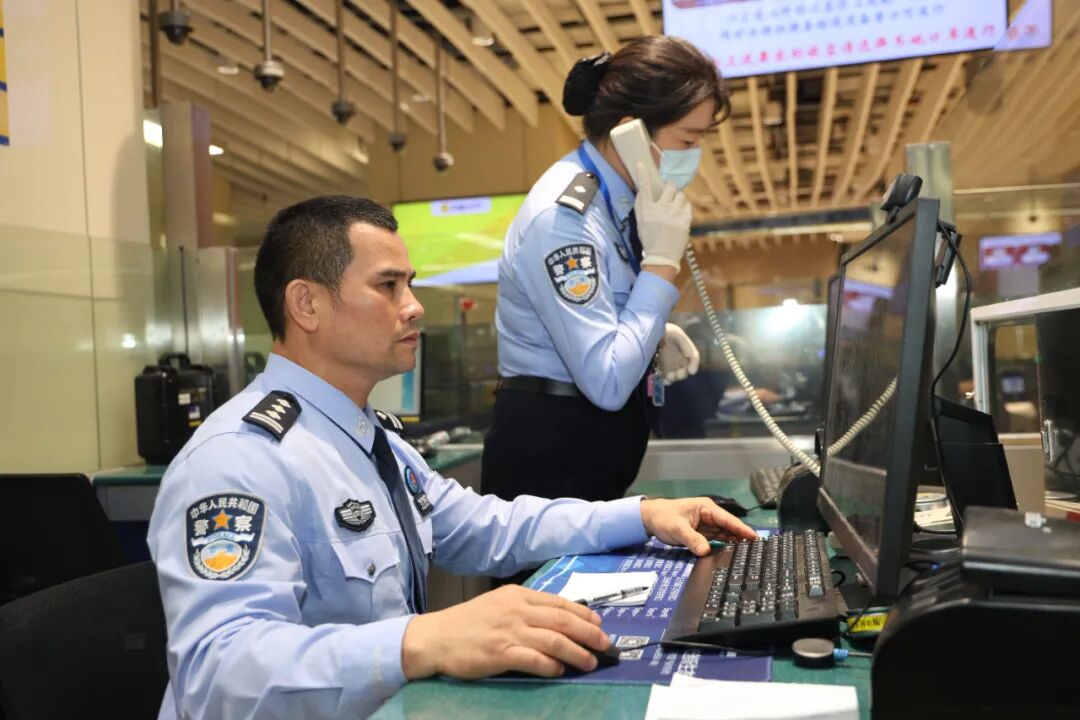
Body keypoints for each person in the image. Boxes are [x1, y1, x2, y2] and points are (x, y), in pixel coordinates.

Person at [146, 196, 756, 720]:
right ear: (306, 305)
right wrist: (425, 639)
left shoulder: (370, 440)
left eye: (409, 284)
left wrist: (642, 514)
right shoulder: (239, 459)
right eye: (388, 286)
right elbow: (215, 673)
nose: (414, 306)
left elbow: (487, 525)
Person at [482, 36, 732, 520]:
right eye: (687, 140)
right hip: (549, 478)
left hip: (585, 465)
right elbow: (608, 381)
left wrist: (653, 332)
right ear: (628, 133)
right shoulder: (566, 219)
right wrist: (662, 265)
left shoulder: (615, 205)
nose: (695, 153)